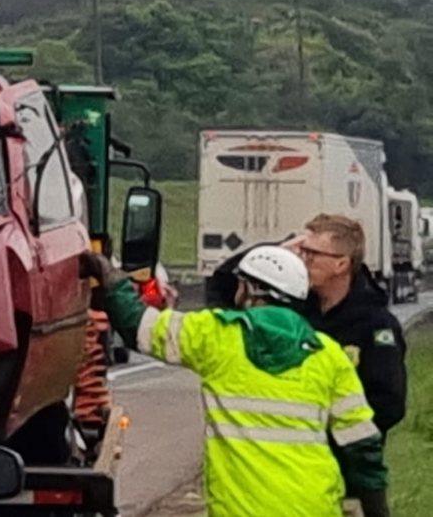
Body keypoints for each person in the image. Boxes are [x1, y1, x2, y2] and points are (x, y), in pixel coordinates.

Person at [86, 245, 390, 517]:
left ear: (250, 290)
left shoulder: (216, 336)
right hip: (314, 506)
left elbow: (138, 326)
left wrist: (108, 274)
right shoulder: (329, 354)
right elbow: (363, 447)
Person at [295, 214, 407, 437]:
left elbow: (388, 403)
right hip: (296, 454)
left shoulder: (376, 325)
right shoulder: (294, 311)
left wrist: (342, 438)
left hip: (346, 459)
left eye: (312, 254)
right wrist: (280, 247)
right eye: (302, 252)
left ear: (341, 263)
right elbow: (226, 289)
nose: (302, 260)